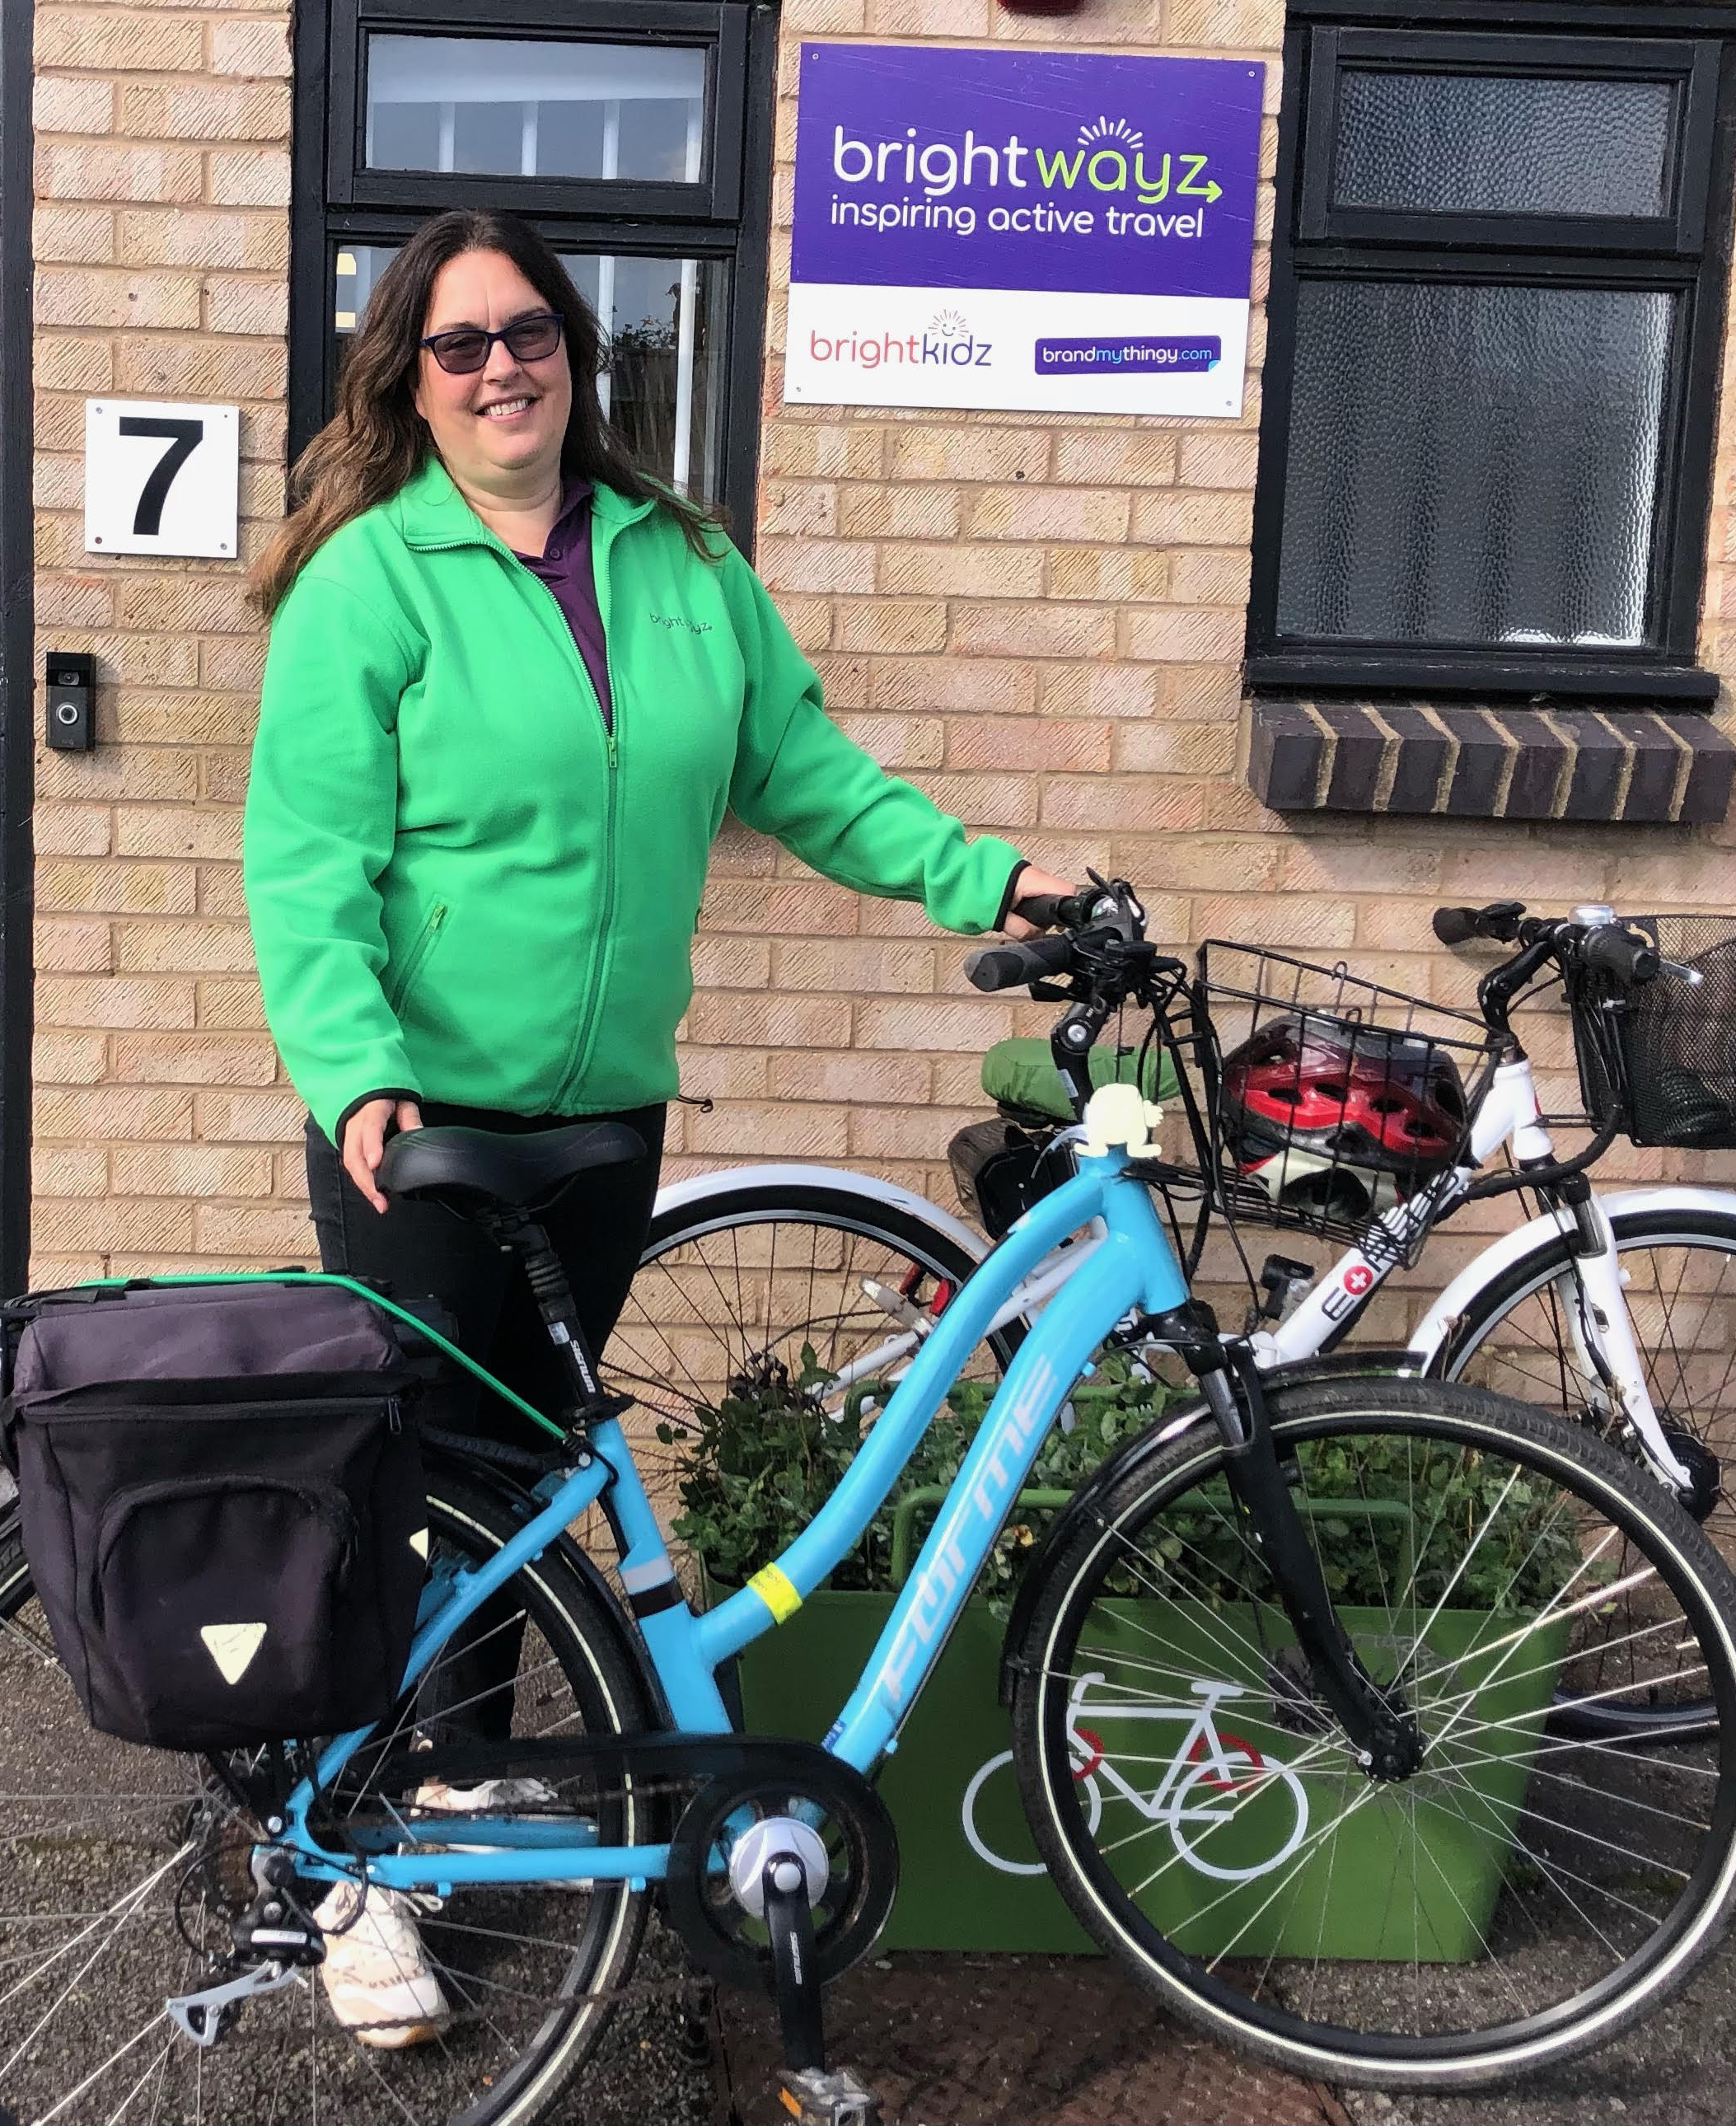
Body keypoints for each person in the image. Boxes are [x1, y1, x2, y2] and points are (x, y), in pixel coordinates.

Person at [241, 208, 1074, 2046]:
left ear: (574, 351)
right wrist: (355, 1069)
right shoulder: (370, 582)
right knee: (417, 1497)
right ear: (410, 380)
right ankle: (344, 1873)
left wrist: (987, 876)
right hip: (423, 1130)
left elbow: (804, 773)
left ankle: (449, 1800)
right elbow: (307, 867)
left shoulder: (680, 565)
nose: (498, 368)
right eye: (455, 346)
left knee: (522, 1506)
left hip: (600, 1124)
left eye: (525, 331)